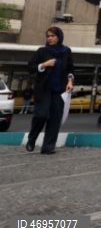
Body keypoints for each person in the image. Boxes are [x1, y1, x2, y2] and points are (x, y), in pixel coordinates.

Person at [25, 26, 74, 154]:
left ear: (59, 37)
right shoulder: (42, 51)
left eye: (53, 36)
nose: (50, 38)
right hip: (44, 89)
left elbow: (70, 68)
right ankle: (32, 139)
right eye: (48, 36)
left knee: (55, 119)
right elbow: (30, 67)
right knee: (41, 115)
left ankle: (48, 147)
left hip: (59, 91)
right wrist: (44, 65)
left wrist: (70, 81)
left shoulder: (66, 51)